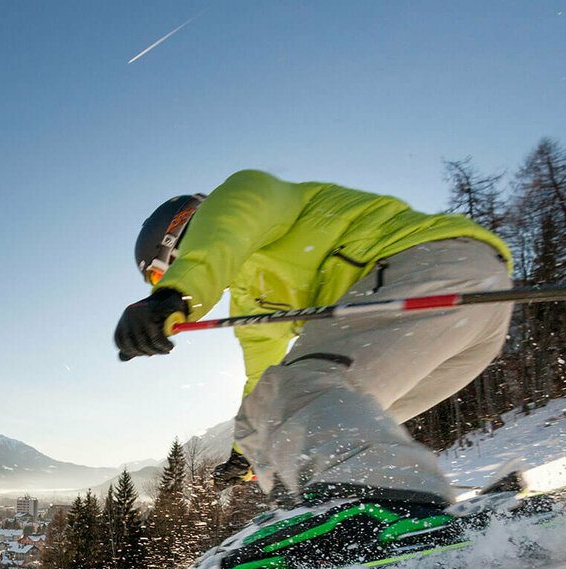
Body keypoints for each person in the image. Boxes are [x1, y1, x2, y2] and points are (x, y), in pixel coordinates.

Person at [114, 169, 512, 518]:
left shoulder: (242, 195)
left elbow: (226, 230)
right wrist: (244, 454)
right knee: (284, 417)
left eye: (158, 275)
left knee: (304, 392)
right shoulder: (251, 299)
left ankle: (381, 508)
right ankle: (329, 514)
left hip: (430, 267)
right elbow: (262, 382)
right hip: (460, 322)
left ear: (175, 240)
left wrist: (174, 295)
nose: (161, 282)